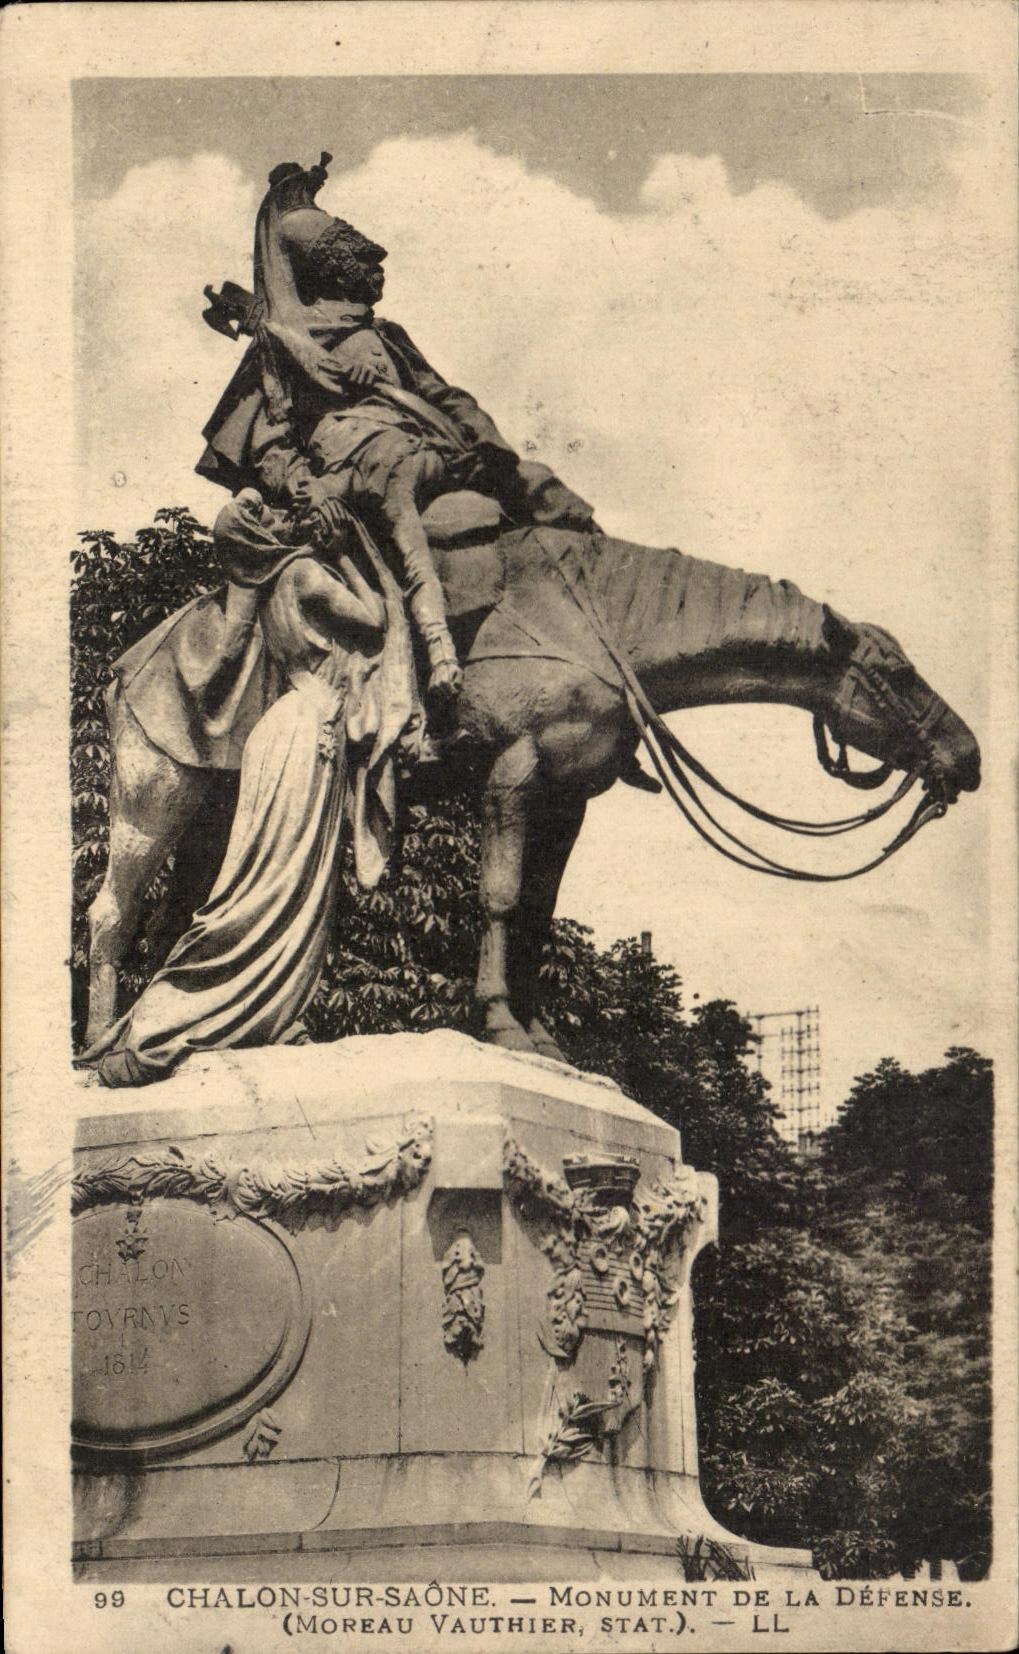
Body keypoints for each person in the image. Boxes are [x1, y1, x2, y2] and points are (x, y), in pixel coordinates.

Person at [198, 153, 598, 707]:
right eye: (361, 256)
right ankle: (435, 657)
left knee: (537, 482)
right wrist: (310, 493)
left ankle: (599, 615)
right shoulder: (286, 344)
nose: (377, 261)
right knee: (402, 516)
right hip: (357, 471)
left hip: (432, 445)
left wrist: (487, 444)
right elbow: (270, 440)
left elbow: (439, 393)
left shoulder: (385, 334)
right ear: (333, 269)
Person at [79, 491, 396, 1087]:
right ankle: (225, 1012)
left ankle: (251, 1011)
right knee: (284, 880)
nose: (284, 516)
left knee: (268, 876)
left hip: (286, 731)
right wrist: (354, 553)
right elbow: (377, 617)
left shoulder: (264, 587)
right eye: (269, 516)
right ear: (260, 534)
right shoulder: (302, 574)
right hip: (307, 731)